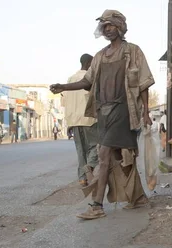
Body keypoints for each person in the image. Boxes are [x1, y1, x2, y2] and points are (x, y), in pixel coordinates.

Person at [50, 9, 155, 220]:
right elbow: (86, 82)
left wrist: (145, 112)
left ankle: (97, 205)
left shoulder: (133, 51)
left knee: (105, 155)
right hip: (103, 113)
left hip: (124, 111)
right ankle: (138, 197)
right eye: (104, 26)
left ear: (120, 27)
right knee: (123, 156)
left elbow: (144, 83)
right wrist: (63, 86)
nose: (107, 30)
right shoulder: (99, 57)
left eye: (111, 25)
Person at [62, 53, 100, 187]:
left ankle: (83, 178)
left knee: (81, 150)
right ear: (89, 63)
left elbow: (65, 101)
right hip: (89, 119)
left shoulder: (71, 79)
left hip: (74, 120)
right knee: (95, 145)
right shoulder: (90, 78)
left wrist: (68, 123)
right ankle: (90, 166)